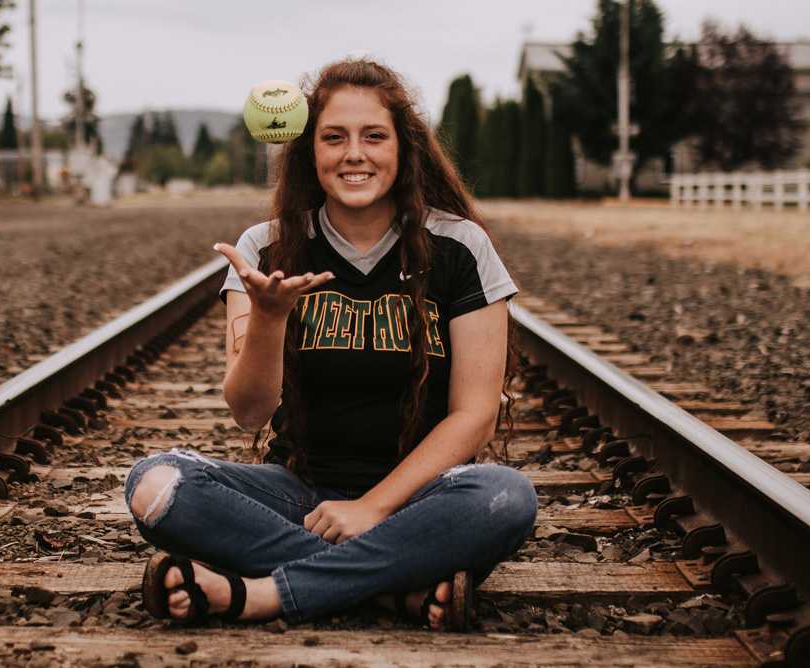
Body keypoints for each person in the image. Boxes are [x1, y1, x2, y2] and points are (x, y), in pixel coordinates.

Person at [124, 58, 537, 632]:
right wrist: (269, 318)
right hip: (301, 496)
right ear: (309, 150)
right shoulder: (265, 249)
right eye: (334, 137)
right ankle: (397, 593)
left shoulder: (460, 247)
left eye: (374, 136)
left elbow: (475, 415)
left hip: (420, 499)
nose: (354, 154)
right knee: (156, 484)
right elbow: (250, 412)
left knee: (506, 496)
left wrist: (373, 508)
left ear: (404, 148)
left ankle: (261, 594)